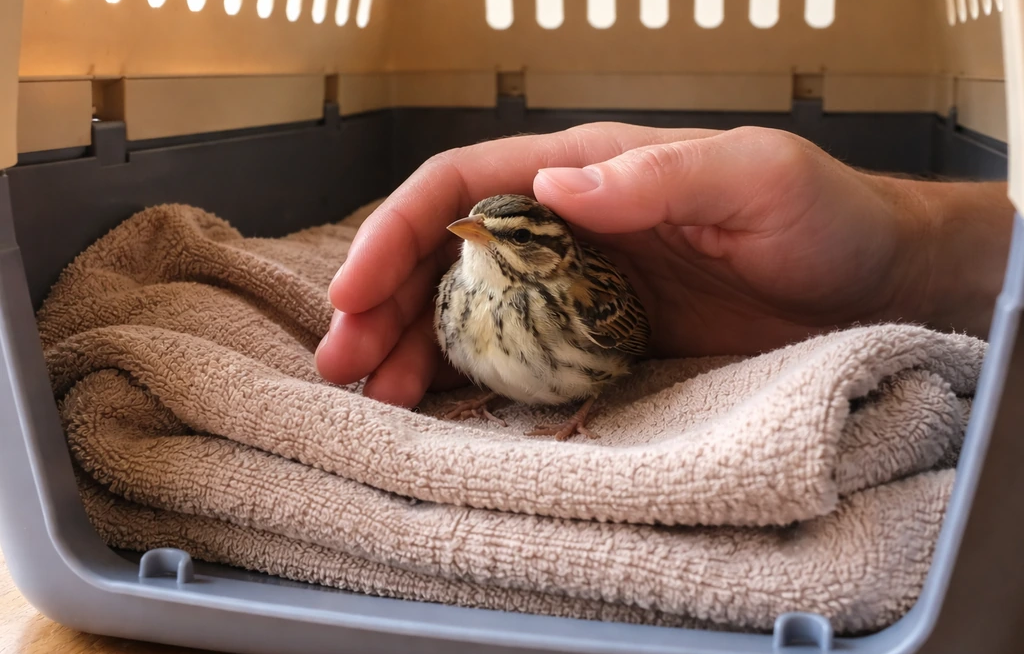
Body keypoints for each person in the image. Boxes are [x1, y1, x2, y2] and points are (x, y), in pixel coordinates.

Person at [314, 122, 1014, 409]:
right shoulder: (451, 300)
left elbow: (628, 348)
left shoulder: (585, 301)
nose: (476, 235)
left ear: (552, 253)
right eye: (479, 229)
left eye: (511, 235)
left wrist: (585, 412)